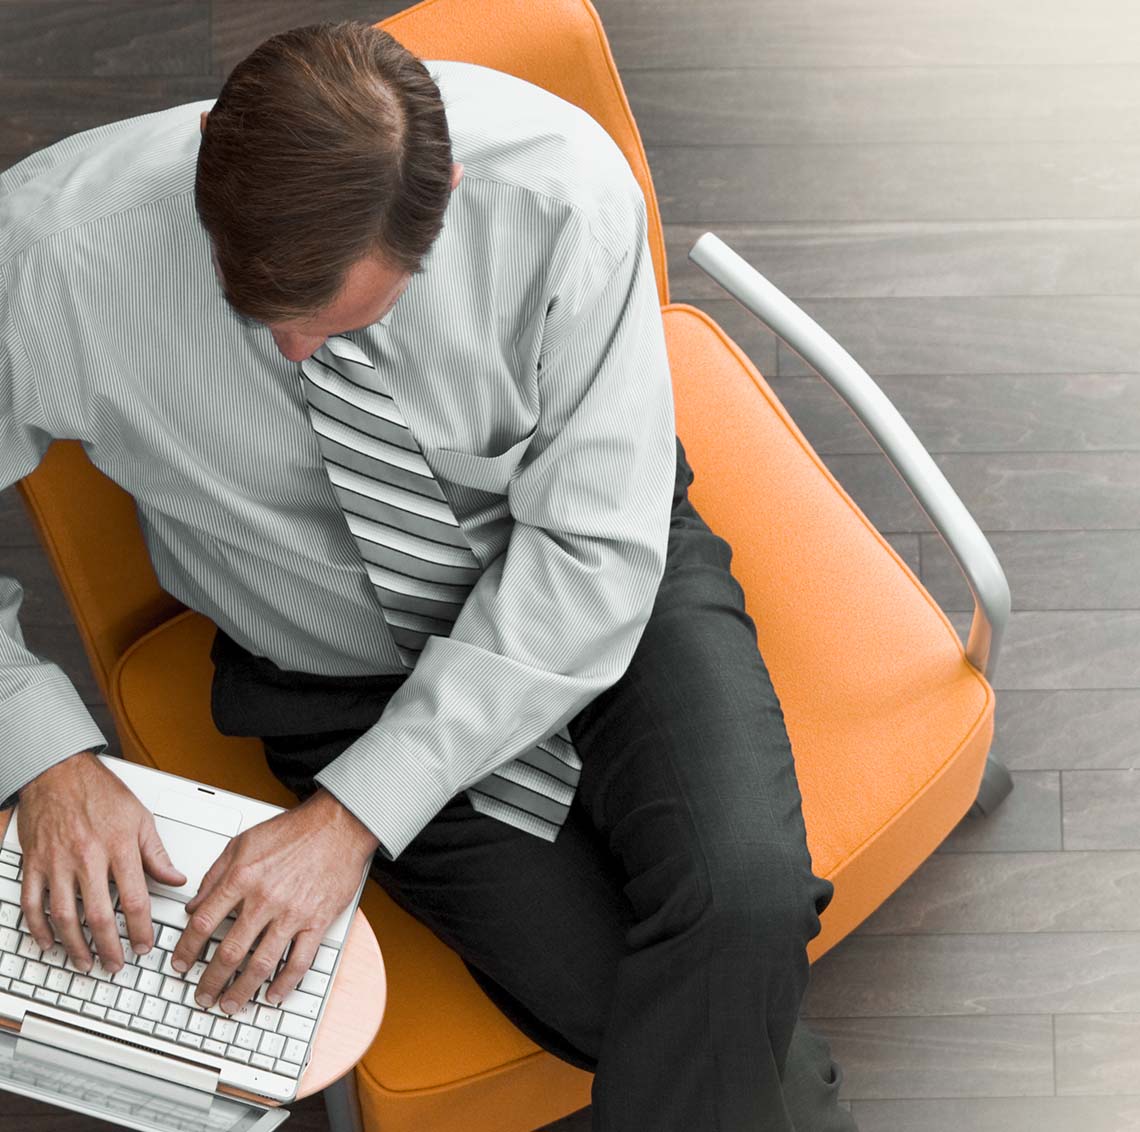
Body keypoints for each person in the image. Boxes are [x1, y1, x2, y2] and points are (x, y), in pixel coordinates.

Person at [0, 19, 856, 1131]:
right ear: (211, 151)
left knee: (749, 902)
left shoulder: (563, 198)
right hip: (330, 667)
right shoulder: (47, 248)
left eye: (346, 316)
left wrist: (346, 820)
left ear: (444, 193)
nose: (298, 353)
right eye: (258, 314)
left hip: (587, 572)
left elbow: (596, 549)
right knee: (704, 1030)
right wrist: (45, 758)